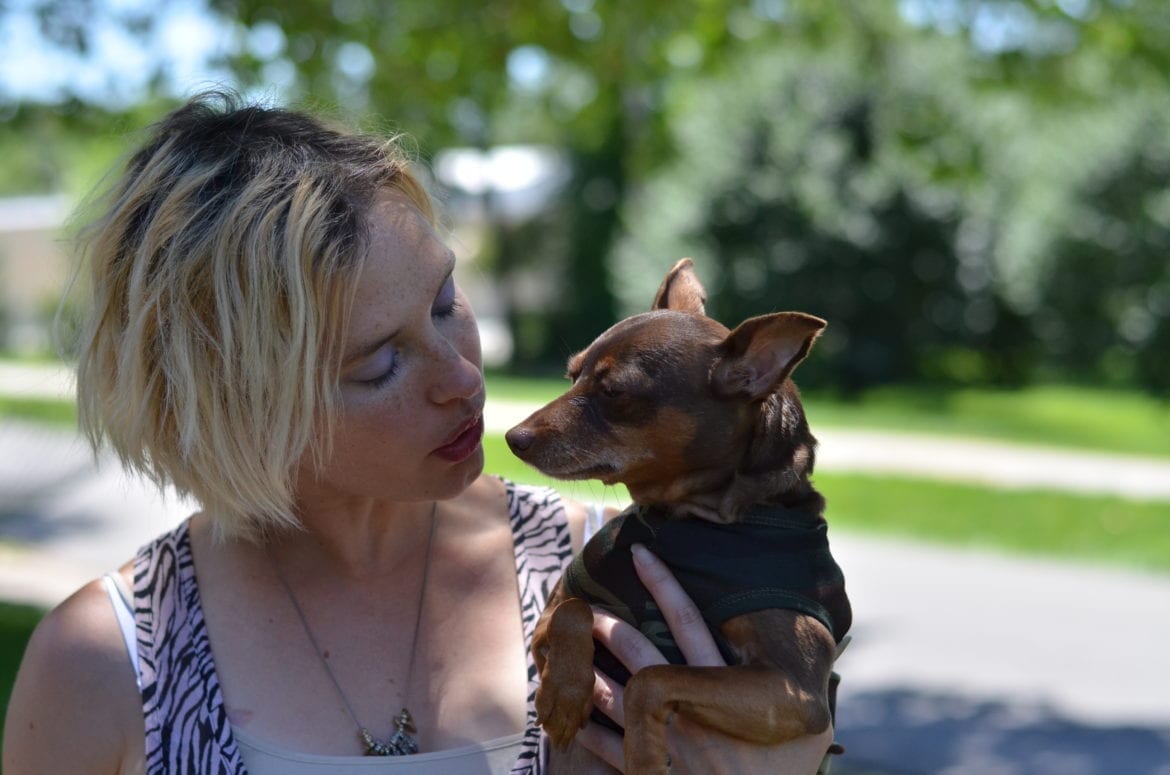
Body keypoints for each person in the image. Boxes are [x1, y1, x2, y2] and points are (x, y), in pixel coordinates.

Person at [2, 91, 835, 774]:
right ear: (238, 411)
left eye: (445, 303)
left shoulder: (630, 574)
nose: (464, 378)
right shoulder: (108, 663)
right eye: (378, 364)